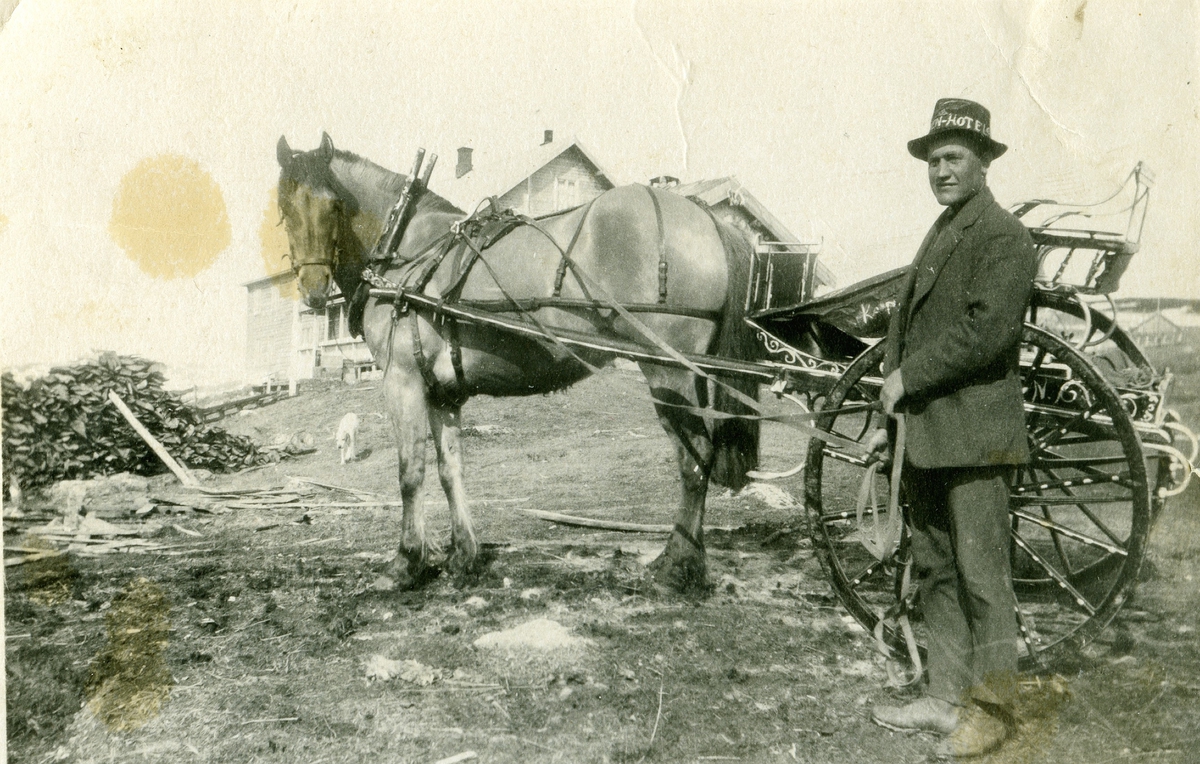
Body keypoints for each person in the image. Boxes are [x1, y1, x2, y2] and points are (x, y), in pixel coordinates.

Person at [869, 98, 1037, 760]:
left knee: (982, 577)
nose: (940, 170)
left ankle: (991, 711)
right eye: (933, 160)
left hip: (976, 434)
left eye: (954, 158)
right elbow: (907, 327)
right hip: (933, 435)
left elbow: (985, 333)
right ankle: (944, 697)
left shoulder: (1003, 237)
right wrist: (895, 407)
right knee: (936, 567)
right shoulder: (945, 230)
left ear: (984, 163)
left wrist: (906, 379)